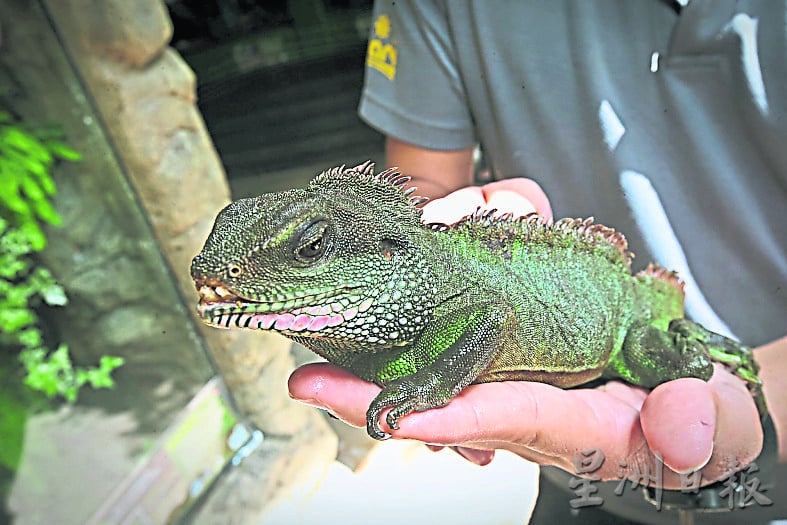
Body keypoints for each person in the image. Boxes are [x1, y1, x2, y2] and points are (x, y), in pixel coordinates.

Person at [289, 1, 786, 522]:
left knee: (676, 366)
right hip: (574, 480)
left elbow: (489, 319)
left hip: (703, 404)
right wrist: (443, 212)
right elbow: (421, 186)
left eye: (308, 251)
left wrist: (759, 413)